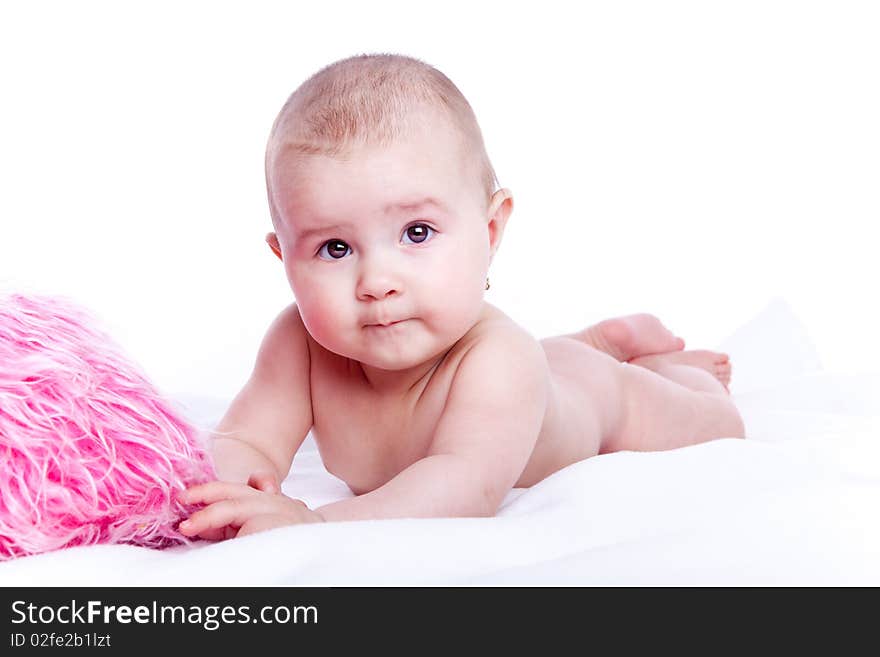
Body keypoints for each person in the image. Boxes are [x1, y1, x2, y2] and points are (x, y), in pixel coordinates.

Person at [178, 53, 743, 540]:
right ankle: (601, 338)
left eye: (416, 234)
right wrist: (227, 491)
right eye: (333, 248)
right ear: (285, 259)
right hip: (546, 368)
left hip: (595, 400)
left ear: (490, 230)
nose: (377, 281)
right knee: (556, 360)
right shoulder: (298, 345)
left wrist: (316, 525)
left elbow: (463, 485)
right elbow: (244, 438)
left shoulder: (500, 360)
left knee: (716, 423)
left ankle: (662, 365)